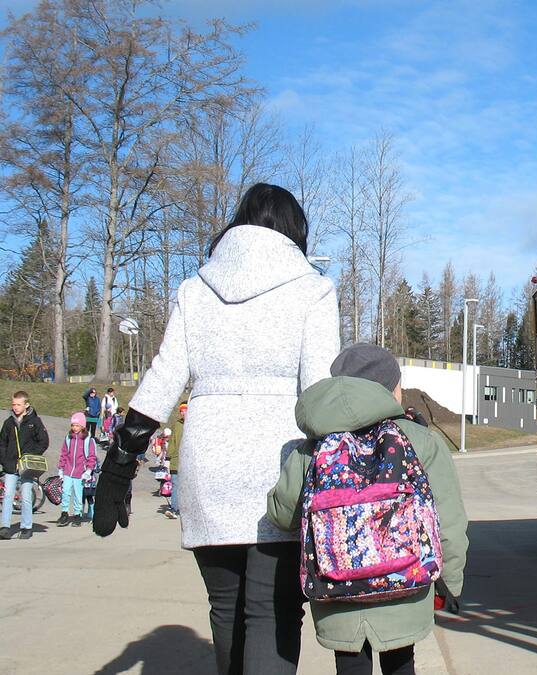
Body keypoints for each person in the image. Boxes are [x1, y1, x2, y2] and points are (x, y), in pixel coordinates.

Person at [92, 182, 340, 675]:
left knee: (225, 609)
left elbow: (163, 377)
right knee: (272, 612)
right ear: (295, 230)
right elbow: (320, 395)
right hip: (280, 467)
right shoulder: (312, 289)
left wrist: (120, 462)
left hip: (209, 464)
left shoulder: (195, 289)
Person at [268, 343, 468, 675]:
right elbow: (449, 522)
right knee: (402, 664)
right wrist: (450, 582)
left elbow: (282, 513)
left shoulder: (313, 448)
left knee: (349, 666)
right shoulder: (420, 441)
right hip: (406, 589)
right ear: (392, 390)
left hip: (336, 592)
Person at [0, 391, 49, 540]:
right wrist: (5, 461)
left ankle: (26, 527)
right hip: (11, 466)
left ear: (26, 405)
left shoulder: (35, 422)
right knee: (8, 495)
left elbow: (44, 442)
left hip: (27, 468)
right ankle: (5, 527)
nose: (15, 407)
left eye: (18, 404)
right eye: (13, 404)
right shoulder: (9, 423)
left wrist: (30, 457)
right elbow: (2, 444)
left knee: (26, 496)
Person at [57, 412, 98, 527]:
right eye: (73, 425)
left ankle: (77, 514)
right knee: (65, 492)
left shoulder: (88, 440)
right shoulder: (68, 438)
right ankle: (64, 513)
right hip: (68, 470)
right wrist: (61, 469)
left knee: (78, 495)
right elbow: (64, 454)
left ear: (83, 426)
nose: (74, 428)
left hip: (80, 472)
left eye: (77, 425)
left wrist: (88, 470)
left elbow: (92, 456)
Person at [164, 402, 186, 519]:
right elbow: (172, 442)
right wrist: (168, 458)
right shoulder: (177, 425)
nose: (183, 413)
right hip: (176, 460)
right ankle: (174, 509)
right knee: (175, 484)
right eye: (181, 411)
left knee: (187, 486)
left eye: (185, 410)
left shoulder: (195, 424)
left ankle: (186, 510)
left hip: (189, 461)